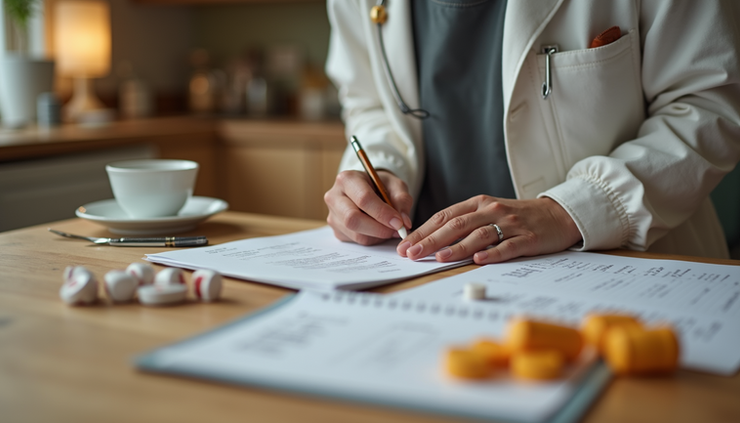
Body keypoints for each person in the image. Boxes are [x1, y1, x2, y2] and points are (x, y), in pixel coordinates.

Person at [323, 0, 740, 264]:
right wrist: (379, 173)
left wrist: (568, 211)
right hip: (430, 271)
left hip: (621, 264)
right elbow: (370, 101)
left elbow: (708, 105)